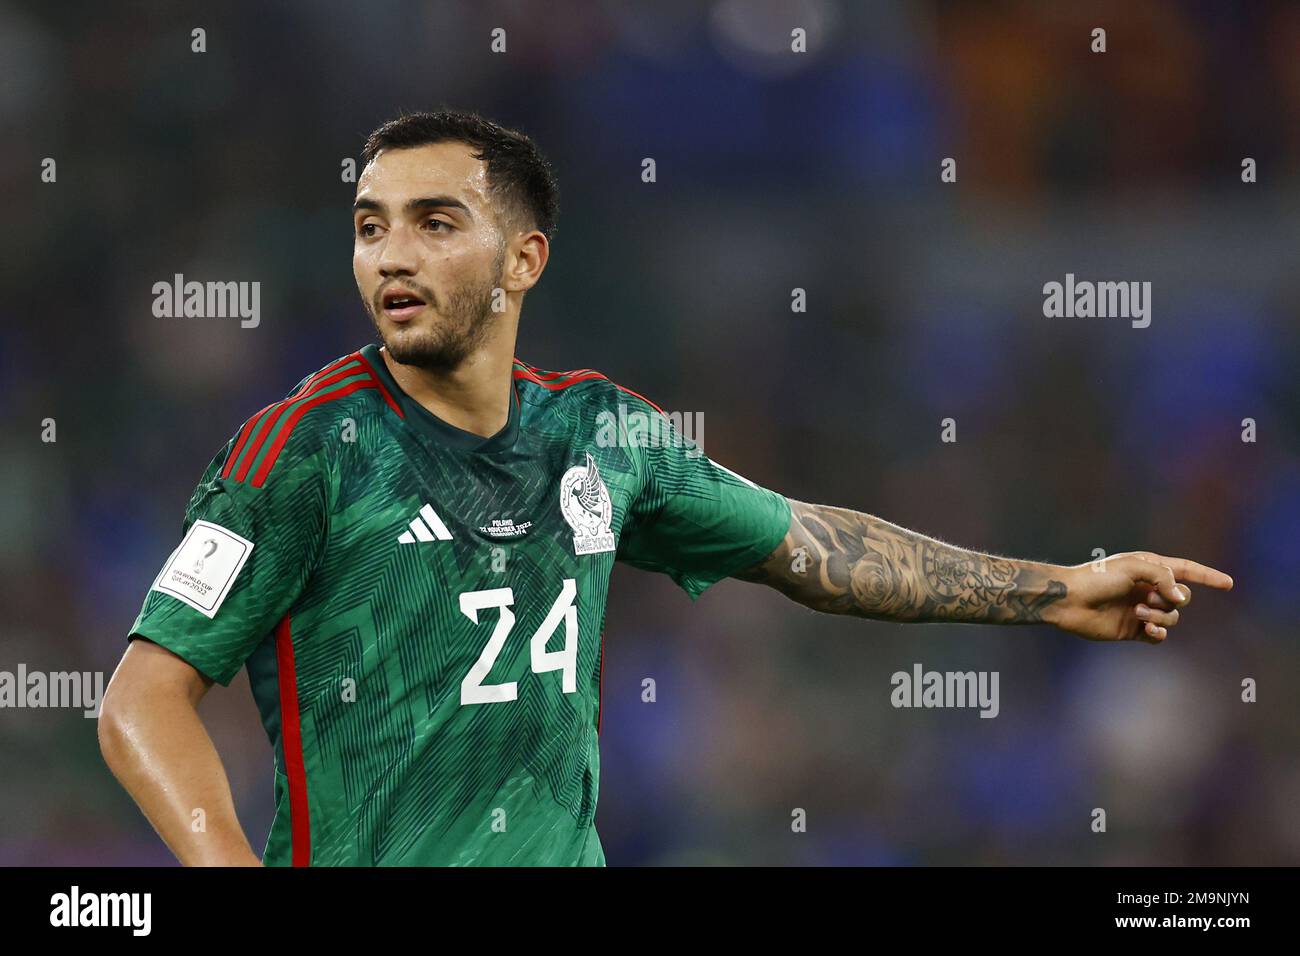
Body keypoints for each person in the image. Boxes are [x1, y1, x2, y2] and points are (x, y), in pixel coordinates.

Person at [99, 110, 1233, 866]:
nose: (390, 255)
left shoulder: (602, 433)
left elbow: (810, 548)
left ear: (524, 259)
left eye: (435, 222)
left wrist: (1052, 590)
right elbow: (141, 699)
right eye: (369, 227)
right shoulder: (303, 449)